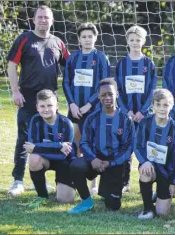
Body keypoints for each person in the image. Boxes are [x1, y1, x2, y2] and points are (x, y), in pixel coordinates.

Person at [7, 5, 70, 196]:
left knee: (50, 138)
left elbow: (71, 65)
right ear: (34, 20)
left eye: (47, 18)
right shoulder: (24, 39)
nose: (43, 20)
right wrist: (15, 91)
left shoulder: (58, 42)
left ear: (52, 21)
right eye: (40, 17)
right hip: (28, 98)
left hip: (49, 102)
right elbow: (12, 64)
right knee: (25, 139)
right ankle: (18, 180)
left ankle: (39, 180)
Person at [68, 78, 135, 214]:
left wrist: (111, 163)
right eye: (103, 95)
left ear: (117, 94)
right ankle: (86, 201)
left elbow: (128, 149)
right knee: (75, 166)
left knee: (113, 206)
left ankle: (107, 189)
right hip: (95, 161)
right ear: (98, 96)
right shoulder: (92, 118)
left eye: (110, 94)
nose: (107, 98)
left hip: (114, 164)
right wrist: (93, 159)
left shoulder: (126, 120)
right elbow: (84, 143)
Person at [63, 22, 111, 196]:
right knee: (75, 142)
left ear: (95, 38)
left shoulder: (101, 58)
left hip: (94, 109)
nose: (87, 39)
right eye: (84, 36)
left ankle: (93, 184)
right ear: (79, 39)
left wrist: (90, 104)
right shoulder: (72, 59)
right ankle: (75, 181)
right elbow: (66, 82)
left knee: (93, 144)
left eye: (90, 36)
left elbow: (104, 84)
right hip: (75, 109)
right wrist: (72, 104)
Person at [115, 25, 157, 193]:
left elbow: (153, 89)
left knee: (145, 146)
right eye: (132, 40)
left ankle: (146, 179)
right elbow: (117, 90)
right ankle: (124, 182)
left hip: (144, 114)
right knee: (126, 146)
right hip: (127, 114)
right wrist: (127, 112)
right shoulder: (121, 64)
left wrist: (143, 111)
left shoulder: (149, 63)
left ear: (143, 41)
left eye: (138, 40)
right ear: (127, 41)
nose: (135, 43)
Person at [24, 89, 76, 208]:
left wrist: (38, 148)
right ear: (37, 107)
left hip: (64, 162)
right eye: (42, 106)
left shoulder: (66, 123)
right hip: (46, 159)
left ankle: (63, 185)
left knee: (65, 200)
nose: (46, 109)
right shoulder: (35, 120)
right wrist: (58, 145)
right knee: (34, 159)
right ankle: (42, 196)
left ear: (57, 106)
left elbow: (64, 154)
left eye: (49, 105)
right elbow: (31, 147)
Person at [135, 89, 175, 220]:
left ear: (171, 106)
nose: (162, 108)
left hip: (167, 172)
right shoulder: (145, 123)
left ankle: (159, 195)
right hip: (150, 166)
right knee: (145, 172)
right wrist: (144, 161)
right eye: (158, 104)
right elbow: (137, 145)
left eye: (166, 105)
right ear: (153, 106)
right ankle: (147, 209)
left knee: (163, 213)